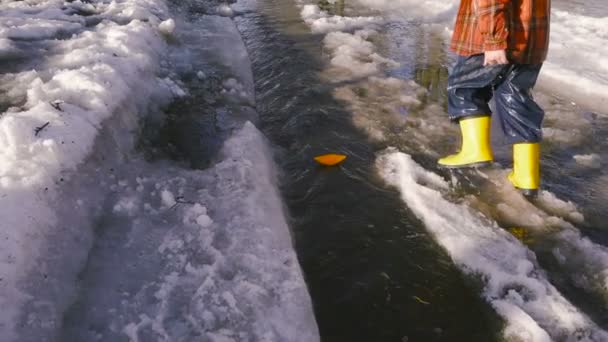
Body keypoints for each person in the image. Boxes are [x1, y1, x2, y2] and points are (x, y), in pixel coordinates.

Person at [438, 0, 550, 197]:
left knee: (464, 89)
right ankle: (526, 176)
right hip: (532, 39)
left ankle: (475, 151)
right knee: (516, 99)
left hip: (492, 39)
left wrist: (494, 40)